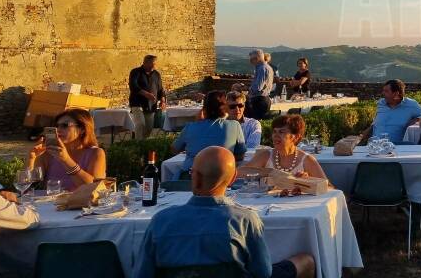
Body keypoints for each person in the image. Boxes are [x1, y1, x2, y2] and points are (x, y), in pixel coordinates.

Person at [137, 146, 315, 278]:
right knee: (306, 261)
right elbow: (263, 272)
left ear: (195, 176)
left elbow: (142, 274)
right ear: (233, 179)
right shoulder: (246, 220)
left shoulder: (160, 221)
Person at [171, 91, 247, 179]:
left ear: (204, 109)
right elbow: (240, 156)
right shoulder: (234, 125)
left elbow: (174, 149)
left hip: (191, 177)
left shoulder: (190, 127)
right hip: (220, 178)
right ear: (225, 108)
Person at [26, 108, 106, 191]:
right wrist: (31, 159)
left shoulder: (95, 153)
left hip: (82, 203)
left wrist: (66, 160)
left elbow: (95, 188)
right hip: (51, 203)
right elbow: (30, 185)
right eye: (57, 126)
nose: (58, 130)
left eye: (65, 125)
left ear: (82, 129)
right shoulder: (49, 152)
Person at [246, 115, 328, 180]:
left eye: (281, 132)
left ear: (295, 137)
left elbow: (329, 188)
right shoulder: (267, 155)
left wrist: (308, 181)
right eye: (274, 132)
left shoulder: (306, 160)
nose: (275, 136)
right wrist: (267, 172)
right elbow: (239, 172)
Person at [129, 54, 166, 139]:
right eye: (153, 64)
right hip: (137, 104)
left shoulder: (156, 74)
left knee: (149, 128)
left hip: (151, 105)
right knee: (140, 124)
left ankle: (143, 144)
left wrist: (163, 101)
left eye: (155, 64)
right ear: (145, 63)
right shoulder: (136, 72)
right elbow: (133, 86)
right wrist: (146, 94)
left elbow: (160, 89)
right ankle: (138, 145)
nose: (154, 66)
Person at [245, 50, 274, 120]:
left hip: (259, 100)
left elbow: (258, 87)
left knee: (253, 123)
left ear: (257, 58)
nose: (250, 62)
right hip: (263, 99)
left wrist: (246, 88)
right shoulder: (267, 67)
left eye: (252, 59)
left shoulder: (262, 68)